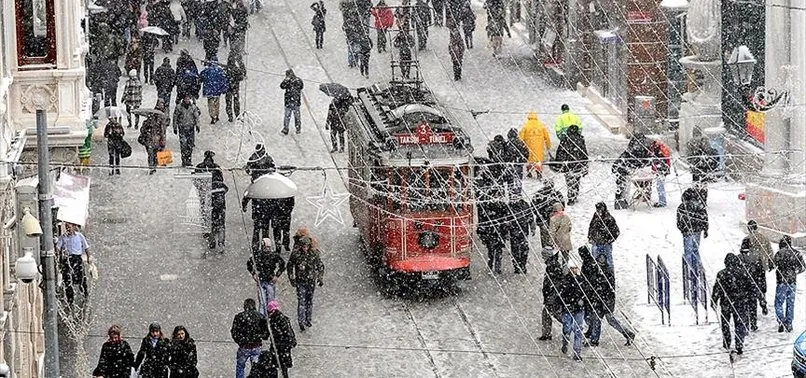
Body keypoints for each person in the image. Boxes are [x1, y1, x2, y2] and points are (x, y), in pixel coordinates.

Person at [580, 246, 635, 347]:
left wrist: (605, 300)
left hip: (604, 300)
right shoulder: (595, 269)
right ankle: (594, 339)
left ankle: (628, 333)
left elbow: (608, 288)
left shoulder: (606, 272)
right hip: (599, 299)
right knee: (597, 319)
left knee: (609, 320)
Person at [712, 253, 752, 353]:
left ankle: (727, 342)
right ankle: (739, 343)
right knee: (739, 324)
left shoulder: (721, 274)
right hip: (740, 302)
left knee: (725, 323)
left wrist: (714, 300)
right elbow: (750, 288)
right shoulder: (743, 273)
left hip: (726, 303)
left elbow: (717, 288)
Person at [287, 234, 325, 331]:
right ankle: (301, 321)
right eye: (303, 246)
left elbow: (320, 266)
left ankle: (308, 319)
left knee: (309, 301)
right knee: (301, 301)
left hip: (311, 281)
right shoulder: (296, 254)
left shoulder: (314, 254)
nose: (305, 248)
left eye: (306, 246)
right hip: (300, 281)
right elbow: (290, 266)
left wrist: (320, 278)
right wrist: (292, 279)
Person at [676, 187, 709, 291]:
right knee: (695, 249)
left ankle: (690, 270)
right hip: (697, 231)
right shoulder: (699, 206)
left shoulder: (682, 207)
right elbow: (704, 218)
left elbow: (679, 221)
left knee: (688, 251)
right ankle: (697, 268)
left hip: (687, 232)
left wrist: (683, 229)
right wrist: (705, 229)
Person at [475, 166, 506, 274]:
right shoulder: (487, 204)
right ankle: (492, 266)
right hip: (492, 231)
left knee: (496, 250)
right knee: (492, 251)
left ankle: (496, 267)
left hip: (496, 231)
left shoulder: (499, 205)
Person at [611, 133, 653, 209]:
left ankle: (621, 202)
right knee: (623, 187)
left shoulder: (633, 148)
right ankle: (622, 202)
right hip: (623, 169)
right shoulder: (640, 148)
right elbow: (641, 161)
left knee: (622, 187)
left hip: (622, 168)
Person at [231, 298, 270, 378]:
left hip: (244, 347)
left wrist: (240, 341)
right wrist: (259, 336)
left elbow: (234, 332)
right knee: (256, 368)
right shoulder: (260, 317)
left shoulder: (239, 317)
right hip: (256, 346)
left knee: (240, 367)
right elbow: (266, 333)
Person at [772, 235, 805, 333]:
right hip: (792, 282)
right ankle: (789, 323)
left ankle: (781, 321)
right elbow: (803, 267)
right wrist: (795, 272)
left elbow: (773, 265)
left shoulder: (779, 253)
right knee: (790, 304)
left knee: (778, 303)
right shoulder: (797, 253)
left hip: (781, 282)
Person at [248, 238, 287, 315]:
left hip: (270, 281)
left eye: (268, 247)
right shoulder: (257, 255)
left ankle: (270, 317)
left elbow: (282, 265)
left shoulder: (274, 255)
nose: (267, 249)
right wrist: (253, 274)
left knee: (271, 302)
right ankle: (262, 318)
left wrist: (277, 275)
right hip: (261, 280)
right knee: (262, 303)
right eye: (265, 247)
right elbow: (249, 264)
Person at [56, 222, 91, 304]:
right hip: (68, 259)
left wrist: (89, 257)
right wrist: (57, 253)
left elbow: (86, 247)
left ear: (74, 227)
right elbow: (58, 248)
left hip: (77, 258)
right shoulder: (63, 237)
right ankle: (70, 299)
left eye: (69, 227)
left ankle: (85, 295)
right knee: (67, 279)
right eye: (66, 227)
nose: (68, 229)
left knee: (81, 277)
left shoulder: (80, 236)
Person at [553, 125, 588, 205]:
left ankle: (571, 196)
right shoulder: (580, 139)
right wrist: (584, 162)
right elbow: (584, 151)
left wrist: (558, 162)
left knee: (569, 181)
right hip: (577, 164)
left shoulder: (565, 140)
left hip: (568, 164)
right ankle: (574, 195)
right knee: (576, 180)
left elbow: (560, 152)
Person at [559, 261, 586, 361]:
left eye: (576, 268)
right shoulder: (565, 281)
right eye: (573, 268)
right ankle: (565, 343)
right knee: (567, 329)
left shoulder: (581, 280)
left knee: (578, 331)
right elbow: (561, 295)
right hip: (569, 308)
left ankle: (577, 353)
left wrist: (582, 301)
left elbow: (585, 294)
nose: (574, 270)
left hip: (577, 309)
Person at [686, 126, 719, 205]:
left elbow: (688, 156)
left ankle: (696, 199)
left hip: (695, 166)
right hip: (704, 165)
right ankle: (703, 200)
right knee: (704, 183)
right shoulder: (705, 140)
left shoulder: (690, 142)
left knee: (695, 183)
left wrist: (692, 162)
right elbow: (709, 151)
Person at [737, 238, 765, 332]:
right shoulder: (756, 257)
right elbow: (761, 273)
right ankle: (753, 323)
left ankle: (745, 323)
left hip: (742, 286)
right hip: (754, 283)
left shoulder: (738, 258)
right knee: (753, 304)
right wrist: (761, 284)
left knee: (744, 305)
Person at [539, 246, 565, 341]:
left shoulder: (553, 266)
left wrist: (551, 294)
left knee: (556, 315)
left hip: (553, 296)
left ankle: (574, 327)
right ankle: (546, 334)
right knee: (547, 314)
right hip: (551, 295)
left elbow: (556, 282)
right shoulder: (552, 264)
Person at [267, 301, 297, 378]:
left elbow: (284, 332)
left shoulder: (274, 320)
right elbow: (289, 332)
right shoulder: (283, 318)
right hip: (283, 346)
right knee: (283, 367)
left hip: (280, 346)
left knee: (277, 366)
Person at [531, 181, 565, 248]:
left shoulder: (557, 194)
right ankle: (547, 253)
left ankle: (552, 251)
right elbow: (534, 207)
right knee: (545, 237)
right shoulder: (538, 194)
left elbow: (562, 206)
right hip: (543, 219)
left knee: (553, 237)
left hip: (554, 220)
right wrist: (543, 212)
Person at [587, 202, 620, 271]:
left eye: (600, 209)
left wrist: (609, 240)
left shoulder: (609, 218)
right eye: (597, 209)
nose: (598, 211)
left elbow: (616, 232)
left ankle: (610, 275)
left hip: (606, 244)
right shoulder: (595, 217)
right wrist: (590, 237)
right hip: (596, 243)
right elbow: (591, 227)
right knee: (594, 261)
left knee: (608, 261)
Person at [518, 112, 552, 179]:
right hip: (539, 147)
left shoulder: (526, 125)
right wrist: (548, 145)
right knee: (538, 160)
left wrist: (520, 146)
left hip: (529, 146)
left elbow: (520, 138)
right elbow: (547, 137)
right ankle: (538, 172)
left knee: (530, 160)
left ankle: (529, 171)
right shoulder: (541, 125)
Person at [138, 101, 169, 174]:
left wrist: (163, 139)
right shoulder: (147, 122)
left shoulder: (162, 119)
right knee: (151, 154)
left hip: (157, 140)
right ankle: (152, 167)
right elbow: (142, 130)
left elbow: (163, 130)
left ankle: (154, 166)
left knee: (155, 154)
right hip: (149, 140)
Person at [508, 191, 535, 274]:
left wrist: (532, 228)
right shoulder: (509, 206)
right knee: (515, 249)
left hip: (523, 231)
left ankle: (523, 265)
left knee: (524, 249)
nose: (514, 199)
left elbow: (530, 217)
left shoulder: (525, 205)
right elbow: (506, 219)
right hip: (513, 232)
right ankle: (516, 266)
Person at [195, 150, 223, 227]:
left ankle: (211, 223)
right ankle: (207, 224)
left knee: (210, 208)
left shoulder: (215, 167)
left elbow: (219, 179)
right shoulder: (201, 167)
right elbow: (196, 179)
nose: (208, 161)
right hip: (205, 191)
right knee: (205, 207)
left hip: (212, 191)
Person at [173, 94, 202, 167]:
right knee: (183, 145)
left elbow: (196, 117)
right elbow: (175, 117)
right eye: (186, 99)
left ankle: (189, 159)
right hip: (182, 128)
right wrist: (175, 127)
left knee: (190, 145)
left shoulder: (193, 107)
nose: (187, 100)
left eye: (188, 99)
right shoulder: (179, 107)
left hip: (190, 128)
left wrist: (197, 126)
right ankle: (184, 160)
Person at [200, 58, 229, 125]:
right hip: (217, 91)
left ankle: (213, 117)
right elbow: (223, 80)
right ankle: (216, 115)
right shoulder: (220, 70)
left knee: (211, 104)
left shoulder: (207, 70)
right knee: (216, 103)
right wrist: (224, 89)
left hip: (209, 90)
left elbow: (201, 77)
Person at [280, 69, 304, 135]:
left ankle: (297, 129)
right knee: (288, 116)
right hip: (290, 101)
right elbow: (282, 86)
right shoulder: (287, 81)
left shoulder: (298, 80)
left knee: (296, 116)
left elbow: (301, 86)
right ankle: (286, 128)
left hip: (294, 101)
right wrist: (286, 81)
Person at [649, 138, 671, 207]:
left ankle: (662, 202)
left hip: (661, 169)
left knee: (660, 185)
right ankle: (662, 201)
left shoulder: (659, 148)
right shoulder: (662, 148)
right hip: (662, 169)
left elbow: (657, 159)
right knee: (660, 185)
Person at [209, 178, 229, 253]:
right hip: (221, 208)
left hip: (213, 208)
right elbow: (227, 189)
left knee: (213, 225)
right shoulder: (222, 185)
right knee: (221, 225)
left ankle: (212, 242)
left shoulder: (211, 186)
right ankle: (221, 243)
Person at [225, 54, 245, 122]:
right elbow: (241, 77)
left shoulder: (226, 69)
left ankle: (230, 116)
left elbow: (223, 77)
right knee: (236, 102)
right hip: (235, 88)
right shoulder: (237, 69)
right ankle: (237, 115)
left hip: (228, 88)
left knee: (228, 103)